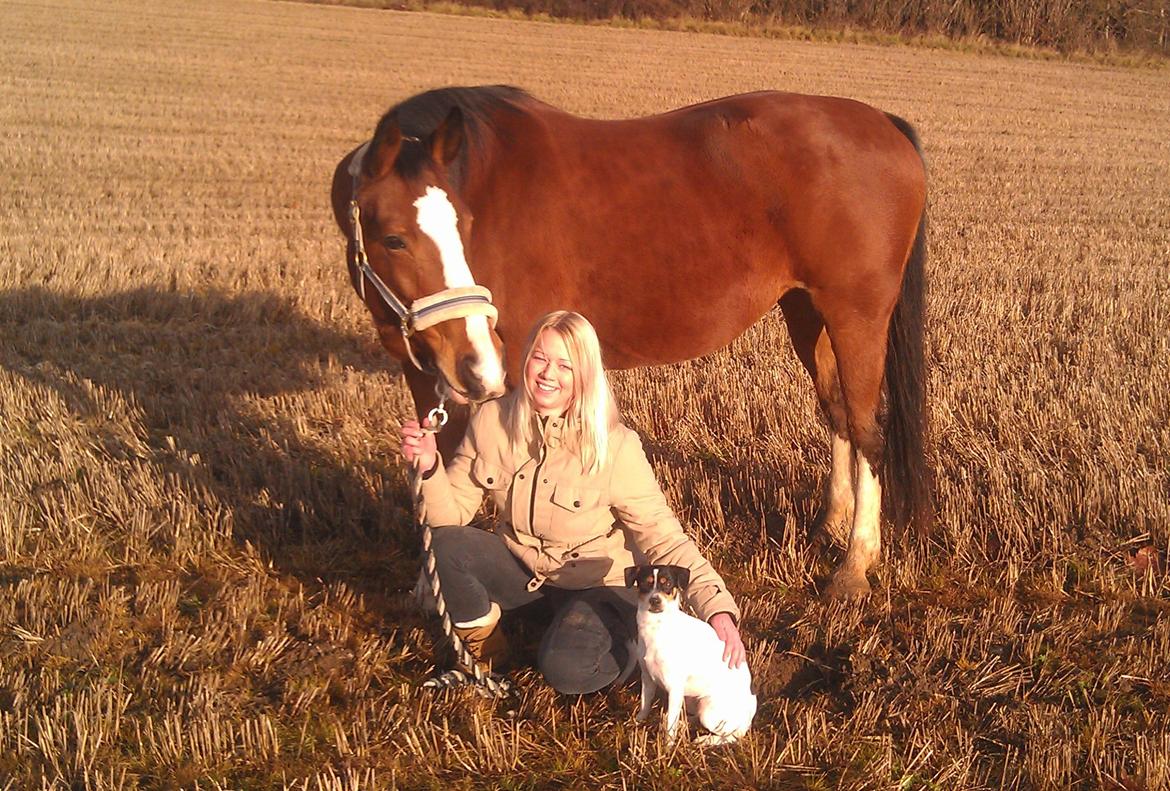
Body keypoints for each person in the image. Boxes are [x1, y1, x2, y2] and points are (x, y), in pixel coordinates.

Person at [400, 310, 745, 693]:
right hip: (527, 575)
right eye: (540, 358)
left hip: (598, 587)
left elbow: (662, 536)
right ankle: (486, 660)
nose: (548, 374)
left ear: (584, 376)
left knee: (567, 671)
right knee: (449, 546)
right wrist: (429, 468)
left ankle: (626, 651)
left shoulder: (616, 446)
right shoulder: (490, 422)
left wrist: (717, 609)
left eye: (565, 365)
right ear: (525, 358)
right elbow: (448, 518)